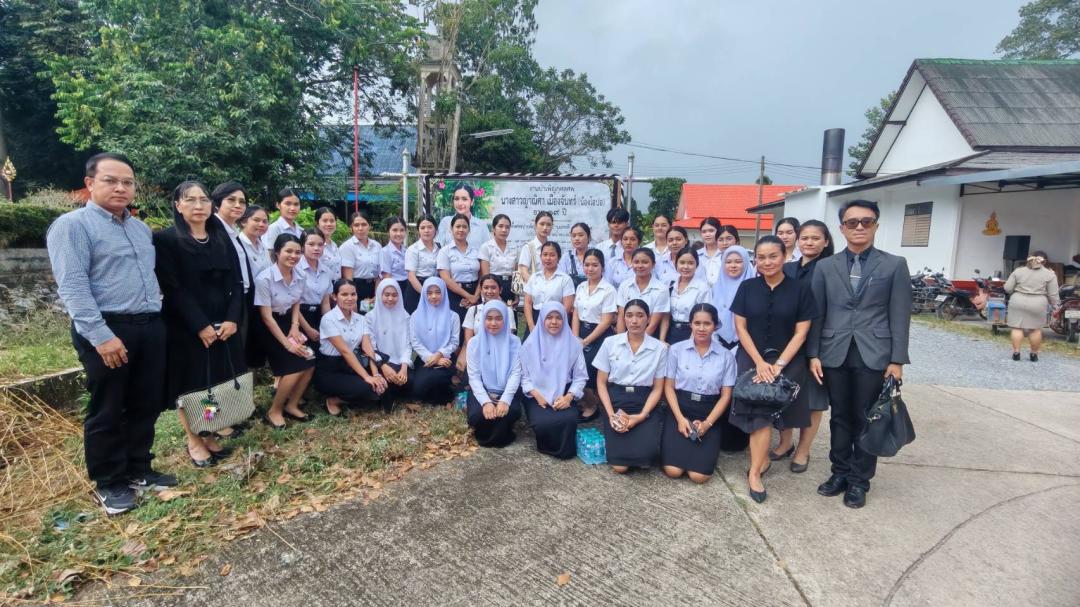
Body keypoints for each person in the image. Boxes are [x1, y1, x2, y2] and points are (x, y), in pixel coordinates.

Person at [47, 153, 175, 514]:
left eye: (127, 182)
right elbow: (73, 286)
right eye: (111, 180)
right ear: (90, 184)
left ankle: (139, 468)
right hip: (107, 327)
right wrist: (100, 336)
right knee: (108, 406)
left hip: (149, 325)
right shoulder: (72, 226)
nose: (121, 188)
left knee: (146, 402)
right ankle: (110, 481)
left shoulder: (139, 229)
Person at [808, 199, 911, 509]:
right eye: (852, 222)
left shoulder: (894, 265)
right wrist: (813, 353)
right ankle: (839, 472)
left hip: (874, 353)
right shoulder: (825, 267)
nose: (859, 227)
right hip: (833, 352)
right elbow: (817, 313)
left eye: (866, 221)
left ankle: (859, 480)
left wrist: (897, 359)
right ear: (842, 228)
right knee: (839, 416)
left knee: (867, 417)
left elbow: (900, 315)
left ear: (876, 226)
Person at [154, 181, 246, 467]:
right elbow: (173, 289)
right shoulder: (166, 240)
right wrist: (200, 325)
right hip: (187, 326)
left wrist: (232, 319)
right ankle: (193, 439)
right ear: (178, 205)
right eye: (190, 200)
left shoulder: (221, 237)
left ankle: (208, 430)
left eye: (203, 200)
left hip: (223, 324)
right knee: (190, 386)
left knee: (213, 384)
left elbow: (237, 282)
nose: (198, 206)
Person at [730, 236, 816, 504]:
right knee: (759, 411)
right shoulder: (747, 287)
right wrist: (759, 362)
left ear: (784, 257)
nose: (767, 262)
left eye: (773, 256)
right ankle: (756, 470)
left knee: (775, 409)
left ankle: (768, 456)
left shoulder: (800, 289)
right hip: (752, 357)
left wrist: (778, 365)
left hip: (788, 359)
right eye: (761, 257)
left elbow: (801, 332)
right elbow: (740, 327)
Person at [774, 220, 834, 472]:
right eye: (805, 238)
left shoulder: (830, 269)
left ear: (826, 241)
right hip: (787, 342)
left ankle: (803, 449)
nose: (809, 242)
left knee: (813, 400)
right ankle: (785, 442)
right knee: (784, 395)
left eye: (815, 238)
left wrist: (815, 351)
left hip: (818, 342)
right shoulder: (787, 268)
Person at [660, 304, 737, 483]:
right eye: (697, 323)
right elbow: (668, 387)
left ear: (715, 326)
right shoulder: (676, 350)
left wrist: (707, 424)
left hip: (709, 412)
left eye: (707, 324)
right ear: (690, 324)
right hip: (680, 409)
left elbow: (726, 396)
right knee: (673, 471)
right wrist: (680, 419)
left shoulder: (726, 356)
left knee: (699, 476)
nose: (701, 328)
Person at [593, 299, 668, 473]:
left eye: (640, 316)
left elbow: (658, 388)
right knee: (620, 466)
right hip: (616, 401)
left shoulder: (659, 348)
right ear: (623, 318)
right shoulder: (610, 343)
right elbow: (601, 383)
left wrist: (641, 416)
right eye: (629, 315)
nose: (634, 321)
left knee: (646, 457)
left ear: (648, 318)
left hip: (644, 402)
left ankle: (643, 432)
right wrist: (611, 414)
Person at [254, 234, 316, 428]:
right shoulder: (265, 278)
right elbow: (266, 317)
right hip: (268, 326)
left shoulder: (300, 275)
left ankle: (292, 404)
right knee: (293, 366)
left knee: (310, 361)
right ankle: (274, 410)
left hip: (288, 321)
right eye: (288, 251)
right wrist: (288, 345)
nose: (294, 256)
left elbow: (296, 302)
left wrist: (295, 326)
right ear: (277, 252)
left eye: (298, 252)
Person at [520, 302, 588, 459]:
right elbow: (524, 376)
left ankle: (565, 451)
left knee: (568, 419)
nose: (554, 322)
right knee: (542, 422)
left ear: (564, 320)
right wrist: (537, 395)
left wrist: (569, 397)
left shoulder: (573, 344)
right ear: (542, 319)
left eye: (558, 318)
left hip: (563, 393)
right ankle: (546, 447)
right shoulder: (530, 344)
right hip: (536, 394)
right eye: (549, 317)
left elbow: (580, 376)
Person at [314, 280, 387, 415]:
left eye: (353, 294)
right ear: (334, 297)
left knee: (384, 381)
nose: (350, 298)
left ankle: (364, 392)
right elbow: (345, 351)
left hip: (352, 365)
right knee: (369, 388)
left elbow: (367, 348)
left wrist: (376, 373)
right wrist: (367, 377)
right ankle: (334, 400)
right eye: (344, 294)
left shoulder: (361, 319)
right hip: (331, 370)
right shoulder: (328, 319)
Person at [465, 300, 524, 447]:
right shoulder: (474, 343)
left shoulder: (515, 342)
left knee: (510, 412)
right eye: (489, 318)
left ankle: (504, 433)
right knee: (477, 415)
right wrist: (486, 402)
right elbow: (474, 376)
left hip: (506, 391)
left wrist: (505, 400)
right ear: (483, 319)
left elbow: (516, 373)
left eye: (498, 318)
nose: (493, 323)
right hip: (483, 390)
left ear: (505, 320)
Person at [572, 249, 616, 421]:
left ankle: (594, 405)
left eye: (595, 265)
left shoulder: (609, 290)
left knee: (589, 368)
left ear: (602, 267)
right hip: (581, 332)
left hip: (600, 335)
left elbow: (606, 321)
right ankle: (585, 401)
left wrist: (585, 342)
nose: (590, 269)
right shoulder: (581, 287)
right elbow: (576, 314)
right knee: (574, 365)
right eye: (587, 265)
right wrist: (575, 338)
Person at [363, 278, 414, 409]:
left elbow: (407, 345)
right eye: (387, 295)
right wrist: (384, 366)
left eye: (394, 295)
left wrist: (404, 368)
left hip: (400, 363)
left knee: (410, 381)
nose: (390, 299)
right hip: (379, 363)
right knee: (385, 383)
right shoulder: (370, 317)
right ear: (380, 295)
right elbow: (371, 348)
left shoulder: (405, 316)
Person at [409, 277, 460, 405]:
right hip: (424, 359)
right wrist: (432, 358)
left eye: (438, 292)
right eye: (429, 293)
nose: (433, 296)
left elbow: (454, 342)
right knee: (418, 386)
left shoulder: (453, 316)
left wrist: (439, 354)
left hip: (446, 359)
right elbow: (415, 342)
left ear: (444, 293)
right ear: (424, 294)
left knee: (433, 382)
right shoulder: (415, 315)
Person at [458, 274, 517, 380]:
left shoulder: (508, 311)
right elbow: (469, 341)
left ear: (500, 290)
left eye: (493, 288)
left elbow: (508, 338)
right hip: (477, 353)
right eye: (486, 288)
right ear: (481, 290)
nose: (489, 291)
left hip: (499, 355)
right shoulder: (473, 310)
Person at [1004, 251, 1060, 362]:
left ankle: (1016, 353)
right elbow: (1053, 295)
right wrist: (1056, 306)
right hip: (1038, 303)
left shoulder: (1018, 271)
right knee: (1035, 330)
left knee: (1017, 328)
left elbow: (1008, 288)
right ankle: (1033, 355)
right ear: (1044, 261)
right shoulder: (1050, 274)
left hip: (1018, 301)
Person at [238, 205, 271, 369]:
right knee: (244, 342)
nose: (261, 224)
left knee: (257, 342)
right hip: (245, 300)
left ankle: (256, 373)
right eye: (256, 220)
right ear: (244, 221)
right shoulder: (238, 244)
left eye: (265, 221)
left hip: (262, 299)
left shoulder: (262, 245)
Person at [437, 213, 481, 326]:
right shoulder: (445, 251)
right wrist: (468, 296)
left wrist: (476, 296)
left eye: (464, 227)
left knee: (475, 328)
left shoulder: (476, 251)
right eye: (458, 226)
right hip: (454, 294)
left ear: (469, 230)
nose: (461, 230)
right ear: (451, 229)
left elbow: (482, 275)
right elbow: (446, 279)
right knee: (456, 328)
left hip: (475, 293)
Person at [615, 248, 669, 337]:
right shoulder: (624, 285)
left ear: (653, 264)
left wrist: (637, 341)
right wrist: (620, 339)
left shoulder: (661, 289)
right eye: (636, 262)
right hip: (626, 334)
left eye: (645, 262)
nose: (640, 266)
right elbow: (621, 317)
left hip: (649, 335)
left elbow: (653, 324)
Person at [523, 241, 575, 333]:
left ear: (559, 258)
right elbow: (528, 303)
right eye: (545, 254)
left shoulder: (565, 279)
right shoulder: (534, 277)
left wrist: (554, 322)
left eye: (552, 255)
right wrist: (531, 325)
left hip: (556, 321)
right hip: (535, 319)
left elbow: (566, 307)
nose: (548, 258)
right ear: (540, 257)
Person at [664, 247, 711, 344]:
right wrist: (662, 339)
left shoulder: (702, 288)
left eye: (690, 263)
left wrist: (691, 342)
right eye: (682, 262)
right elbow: (666, 315)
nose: (686, 267)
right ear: (676, 264)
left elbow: (703, 317)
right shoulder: (670, 285)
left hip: (691, 333)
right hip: (671, 332)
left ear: (697, 265)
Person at [713, 246, 755, 351]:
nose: (733, 266)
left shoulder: (755, 288)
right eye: (728, 262)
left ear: (746, 263)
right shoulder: (715, 288)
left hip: (748, 344)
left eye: (738, 262)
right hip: (717, 341)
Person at [295, 230, 333, 344]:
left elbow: (325, 303)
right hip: (298, 317)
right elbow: (293, 304)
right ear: (302, 246)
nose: (316, 248)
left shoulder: (326, 271)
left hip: (318, 316)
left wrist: (329, 326)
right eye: (311, 244)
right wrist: (308, 329)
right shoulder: (295, 269)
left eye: (320, 245)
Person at [338, 212, 382, 305]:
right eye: (356, 225)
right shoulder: (347, 247)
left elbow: (379, 274)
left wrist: (377, 295)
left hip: (374, 287)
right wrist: (352, 296)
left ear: (370, 226)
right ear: (351, 228)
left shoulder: (377, 246)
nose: (360, 228)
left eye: (364, 224)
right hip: (356, 288)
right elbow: (348, 279)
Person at [478, 214, 518, 306]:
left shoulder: (514, 248)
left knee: (510, 313)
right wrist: (497, 297)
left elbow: (516, 274)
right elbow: (486, 276)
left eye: (507, 227)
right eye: (500, 226)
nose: (504, 230)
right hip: (492, 288)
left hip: (510, 288)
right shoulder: (486, 247)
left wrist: (517, 295)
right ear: (493, 228)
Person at [405, 214, 441, 317]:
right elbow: (411, 277)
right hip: (417, 289)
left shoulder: (439, 248)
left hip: (434, 288)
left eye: (430, 227)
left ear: (435, 229)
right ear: (418, 230)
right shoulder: (413, 249)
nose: (426, 230)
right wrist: (425, 294)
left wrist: (433, 294)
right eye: (422, 228)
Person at [436, 182, 491, 249]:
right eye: (456, 199)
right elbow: (438, 248)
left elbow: (488, 250)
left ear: (472, 202)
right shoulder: (446, 222)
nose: (460, 203)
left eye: (464, 199)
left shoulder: (481, 225)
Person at [380, 216, 412, 311]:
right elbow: (387, 277)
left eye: (402, 230)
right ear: (388, 232)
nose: (398, 233)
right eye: (394, 230)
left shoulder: (407, 251)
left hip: (408, 288)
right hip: (393, 289)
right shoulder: (385, 252)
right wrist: (392, 295)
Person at [516, 210, 554, 285]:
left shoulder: (553, 248)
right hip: (533, 289)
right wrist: (536, 287)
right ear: (535, 225)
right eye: (542, 224)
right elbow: (523, 272)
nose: (545, 228)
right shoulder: (528, 248)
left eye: (548, 225)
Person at [558, 222, 592, 287]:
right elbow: (561, 280)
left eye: (580, 235)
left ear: (589, 237)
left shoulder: (595, 256)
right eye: (573, 236)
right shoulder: (566, 257)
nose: (576, 238)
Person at [313, 207, 342, 278]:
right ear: (317, 223)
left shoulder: (334, 245)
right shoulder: (314, 246)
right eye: (325, 221)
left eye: (332, 221)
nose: (329, 224)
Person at [698, 217, 725, 285]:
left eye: (711, 231)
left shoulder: (726, 254)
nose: (707, 235)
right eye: (704, 232)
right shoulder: (696, 255)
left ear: (719, 232)